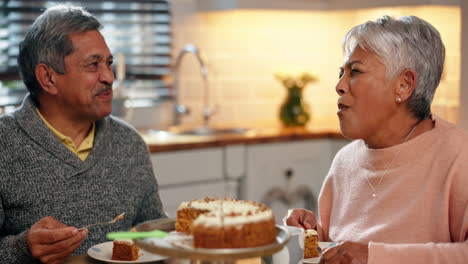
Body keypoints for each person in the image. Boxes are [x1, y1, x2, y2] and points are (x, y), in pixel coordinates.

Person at [285, 15, 468, 264]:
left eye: (355, 71)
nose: (339, 85)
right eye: (341, 72)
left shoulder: (460, 155)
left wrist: (373, 256)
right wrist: (310, 237)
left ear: (404, 85)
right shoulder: (344, 162)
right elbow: (329, 254)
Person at [0, 5, 167, 264]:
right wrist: (23, 248)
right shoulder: (4, 144)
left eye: (109, 63)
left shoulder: (130, 142)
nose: (109, 77)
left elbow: (152, 236)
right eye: (93, 65)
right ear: (48, 78)